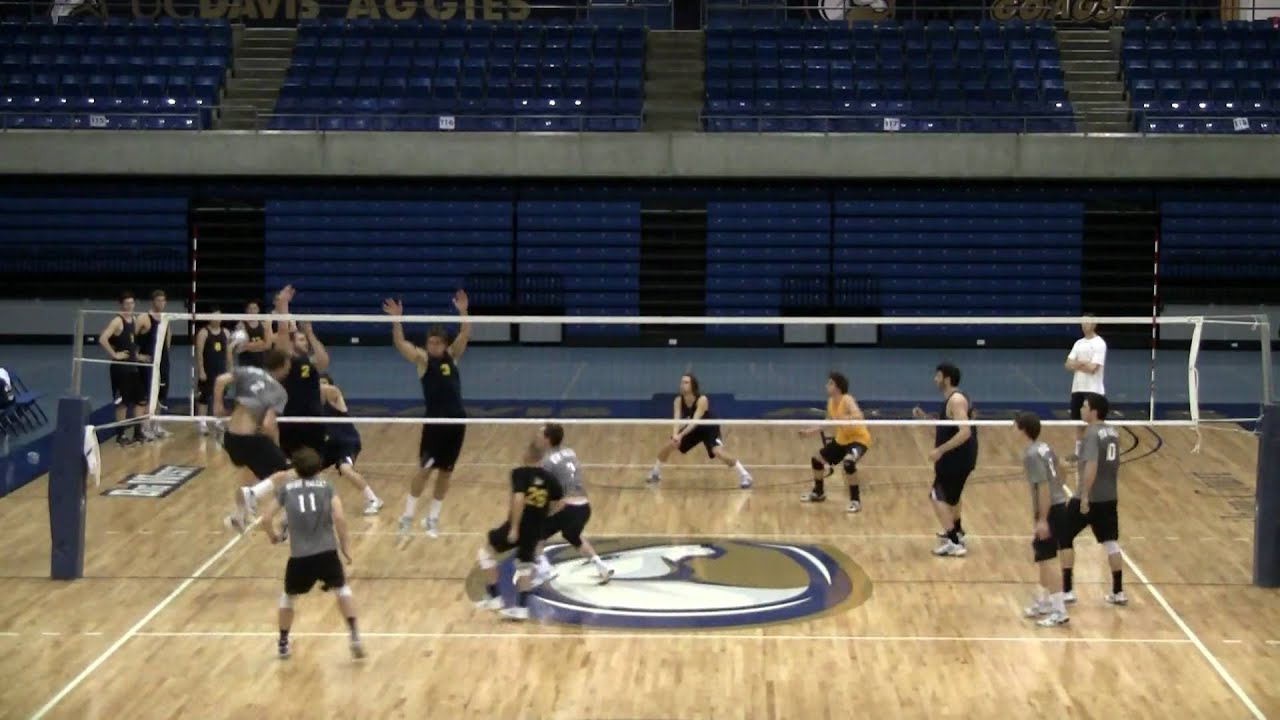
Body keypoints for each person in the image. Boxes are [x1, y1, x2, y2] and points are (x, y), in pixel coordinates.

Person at [260, 447, 364, 660]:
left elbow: (266, 519)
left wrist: (274, 536)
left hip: (300, 557)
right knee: (342, 589)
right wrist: (345, 546)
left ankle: (282, 642)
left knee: (288, 597)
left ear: (296, 468)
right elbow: (340, 518)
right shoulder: (326, 486)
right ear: (318, 468)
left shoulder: (286, 489)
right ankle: (354, 634)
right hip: (327, 552)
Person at [383, 291, 470, 539]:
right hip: (434, 425)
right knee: (424, 470)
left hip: (457, 423)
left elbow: (465, 334)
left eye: (437, 343)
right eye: (430, 342)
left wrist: (463, 311)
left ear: (444, 344)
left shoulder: (452, 357)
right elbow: (401, 345)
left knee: (446, 472)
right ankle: (407, 516)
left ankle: (432, 518)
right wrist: (396, 320)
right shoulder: (422, 361)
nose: (434, 346)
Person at [473, 443, 564, 621]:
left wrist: (514, 527)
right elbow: (559, 502)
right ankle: (521, 608)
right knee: (525, 565)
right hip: (536, 527)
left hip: (519, 524)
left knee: (486, 553)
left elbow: (518, 499)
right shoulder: (550, 478)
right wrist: (543, 515)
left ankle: (495, 597)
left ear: (528, 455)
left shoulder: (519, 473)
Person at [211, 348, 293, 533]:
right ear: (281, 367)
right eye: (288, 366)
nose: (289, 370)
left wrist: (218, 405)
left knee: (251, 472)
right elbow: (268, 425)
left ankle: (238, 515)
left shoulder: (249, 371)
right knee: (286, 472)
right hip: (249, 439)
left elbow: (220, 380)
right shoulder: (279, 391)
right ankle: (259, 499)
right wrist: (275, 446)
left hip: (230, 439)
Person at [1059, 392, 1127, 606]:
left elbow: (1092, 465)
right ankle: (1118, 592)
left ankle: (1067, 590)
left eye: (1085, 406)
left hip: (1088, 497)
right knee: (1111, 543)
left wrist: (1085, 496)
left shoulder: (1091, 434)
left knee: (1064, 536)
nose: (1081, 409)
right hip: (1109, 496)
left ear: (1094, 411)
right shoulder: (1112, 432)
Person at [533, 423, 613, 585]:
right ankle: (601, 565)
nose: (537, 437)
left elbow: (548, 492)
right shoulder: (570, 452)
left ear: (547, 439)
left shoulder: (546, 463)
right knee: (572, 535)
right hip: (584, 507)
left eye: (541, 434)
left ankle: (545, 570)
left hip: (567, 507)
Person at [913, 362, 977, 557]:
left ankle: (953, 541)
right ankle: (957, 531)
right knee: (953, 497)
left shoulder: (956, 400)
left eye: (938, 376)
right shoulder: (953, 399)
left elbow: (964, 432)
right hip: (962, 458)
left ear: (947, 378)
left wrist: (940, 450)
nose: (935, 380)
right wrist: (925, 418)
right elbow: (947, 428)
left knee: (936, 495)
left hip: (956, 458)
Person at [646, 373, 753, 489]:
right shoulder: (678, 400)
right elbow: (676, 419)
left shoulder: (702, 400)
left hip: (709, 427)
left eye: (686, 382)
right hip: (694, 429)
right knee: (669, 445)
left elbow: (695, 421)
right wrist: (675, 435)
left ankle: (745, 475)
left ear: (693, 386)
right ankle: (655, 473)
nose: (682, 385)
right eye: (681, 382)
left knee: (718, 452)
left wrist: (681, 435)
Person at [1014, 412, 1070, 628]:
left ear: (1023, 430)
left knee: (1047, 560)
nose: (1012, 431)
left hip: (1050, 510)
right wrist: (1060, 487)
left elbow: (1043, 487)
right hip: (1058, 505)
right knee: (1043, 557)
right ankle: (1045, 602)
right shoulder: (1044, 447)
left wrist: (1043, 519)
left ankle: (1059, 611)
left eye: (1015, 427)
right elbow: (1063, 466)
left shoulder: (1031, 455)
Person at [799, 371, 872, 513]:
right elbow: (828, 421)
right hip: (841, 440)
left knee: (849, 463)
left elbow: (859, 415)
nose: (827, 386)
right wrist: (810, 431)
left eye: (830, 383)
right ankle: (818, 492)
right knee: (817, 460)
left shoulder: (847, 399)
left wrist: (847, 418)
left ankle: (855, 501)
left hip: (859, 440)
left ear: (838, 387)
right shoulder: (831, 402)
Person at [272, 286, 330, 457]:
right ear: (292, 343)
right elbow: (283, 333)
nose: (304, 343)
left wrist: (310, 334)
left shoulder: (310, 361)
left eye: (305, 341)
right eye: (300, 339)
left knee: (315, 461)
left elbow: (324, 360)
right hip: (292, 419)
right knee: (290, 462)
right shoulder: (287, 360)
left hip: (313, 418)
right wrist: (283, 305)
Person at [319, 373, 383, 516]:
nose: (322, 387)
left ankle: (373, 499)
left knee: (345, 468)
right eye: (319, 384)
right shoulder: (314, 406)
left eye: (325, 383)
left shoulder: (336, 400)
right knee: (307, 470)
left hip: (347, 443)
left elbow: (334, 391)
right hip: (329, 446)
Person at [97, 290, 149, 447]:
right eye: (126, 304)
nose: (130, 306)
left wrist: (137, 357)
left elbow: (130, 343)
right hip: (121, 370)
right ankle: (120, 435)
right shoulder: (117, 321)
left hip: (133, 367)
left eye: (132, 303)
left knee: (141, 400)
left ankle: (138, 432)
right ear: (121, 305)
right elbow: (102, 339)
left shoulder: (133, 320)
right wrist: (115, 355)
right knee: (123, 403)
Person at [1065, 314, 1107, 462]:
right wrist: (1083, 363)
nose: (1084, 325)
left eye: (1087, 322)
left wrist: (1077, 363)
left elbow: (1093, 368)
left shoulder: (1099, 343)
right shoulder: (1078, 343)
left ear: (1094, 324)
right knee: (1078, 423)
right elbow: (1068, 364)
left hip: (1093, 390)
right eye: (1082, 322)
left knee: (1094, 424)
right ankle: (1078, 452)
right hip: (1077, 388)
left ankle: (1096, 452)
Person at [134, 289, 172, 439]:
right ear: (153, 302)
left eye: (163, 301)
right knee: (149, 395)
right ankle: (145, 427)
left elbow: (167, 338)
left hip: (162, 362)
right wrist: (137, 356)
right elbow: (132, 339)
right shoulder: (144, 318)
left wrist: (164, 356)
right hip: (148, 363)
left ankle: (156, 426)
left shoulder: (166, 318)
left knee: (161, 395)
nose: (161, 303)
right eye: (158, 300)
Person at [195, 309, 233, 436]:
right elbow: (199, 353)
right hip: (208, 369)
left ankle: (218, 422)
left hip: (221, 370)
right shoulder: (203, 333)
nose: (218, 318)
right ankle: (202, 423)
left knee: (220, 396)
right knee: (204, 396)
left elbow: (229, 353)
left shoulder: (226, 333)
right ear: (209, 317)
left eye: (220, 316)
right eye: (215, 316)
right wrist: (201, 370)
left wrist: (230, 370)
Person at [233, 299, 272, 369]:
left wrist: (249, 346)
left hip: (262, 363)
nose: (252, 311)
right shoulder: (241, 325)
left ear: (258, 310)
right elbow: (241, 347)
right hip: (246, 363)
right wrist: (261, 343)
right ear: (246, 310)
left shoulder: (264, 324)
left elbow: (268, 345)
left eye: (255, 308)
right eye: (250, 309)